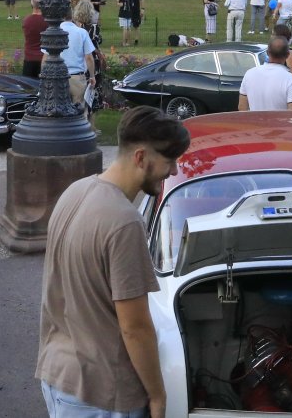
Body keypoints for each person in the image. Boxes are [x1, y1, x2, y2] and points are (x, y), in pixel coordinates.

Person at [36, 106, 189, 418]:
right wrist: (158, 396)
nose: (174, 171)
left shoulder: (75, 191)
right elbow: (135, 327)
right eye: (169, 159)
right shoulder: (124, 222)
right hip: (104, 393)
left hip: (58, 374)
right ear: (141, 157)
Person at [238, 37, 292, 111]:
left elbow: (242, 107)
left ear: (267, 52)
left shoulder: (249, 74)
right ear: (288, 55)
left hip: (255, 119)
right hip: (279, 119)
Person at [62, 0, 99, 115]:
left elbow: (46, 57)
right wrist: (92, 75)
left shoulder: (54, 31)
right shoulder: (81, 32)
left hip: (59, 76)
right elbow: (89, 57)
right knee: (79, 110)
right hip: (77, 76)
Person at [21, 0, 48, 79]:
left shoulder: (26, 20)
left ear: (32, 5)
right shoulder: (47, 21)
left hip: (29, 58)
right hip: (44, 58)